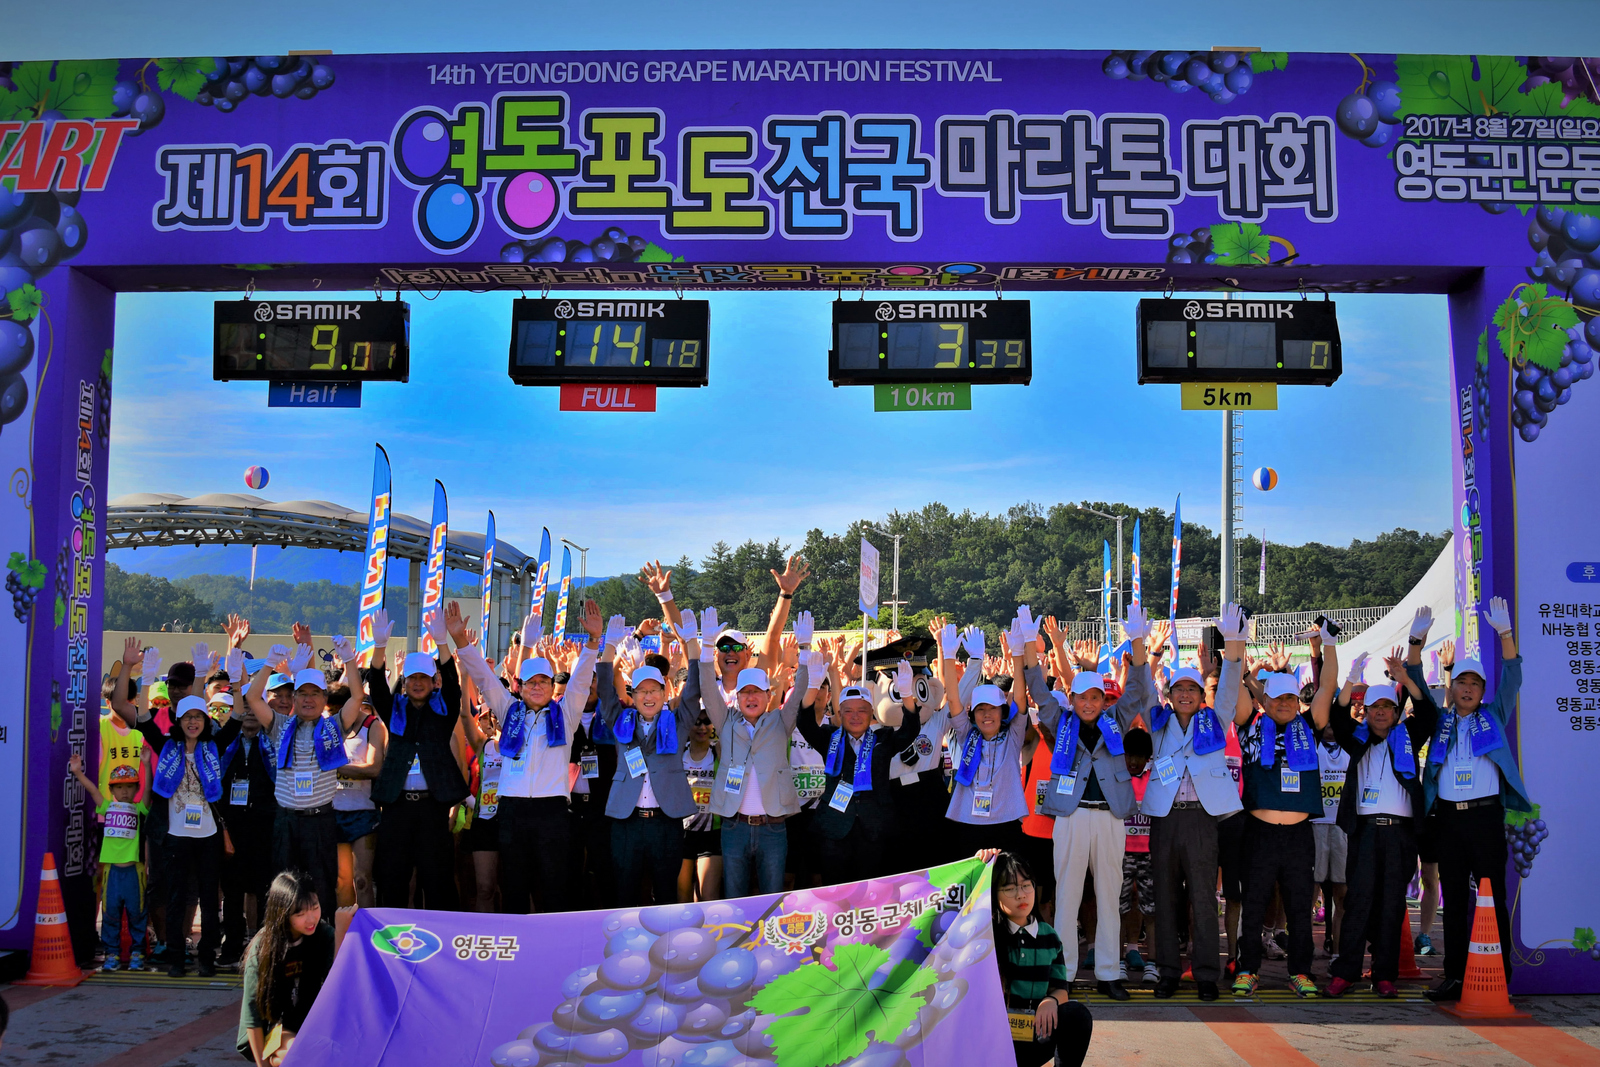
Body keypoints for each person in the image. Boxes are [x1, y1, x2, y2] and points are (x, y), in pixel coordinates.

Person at [1029, 605, 1151, 1000]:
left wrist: (1137, 641)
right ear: (1073, 698)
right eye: (1082, 697)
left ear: (1102, 699)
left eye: (1095, 697)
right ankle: (1063, 974)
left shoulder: (1117, 720)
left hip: (1110, 817)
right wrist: (1030, 647)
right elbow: (1038, 692)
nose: (1088, 703)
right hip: (1071, 817)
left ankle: (1109, 973)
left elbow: (1137, 689)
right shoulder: (1059, 721)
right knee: (1067, 896)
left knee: (1110, 896)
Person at [1325, 608, 1440, 998]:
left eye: (1387, 708)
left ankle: (1385, 974)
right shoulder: (1356, 738)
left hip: (1401, 835)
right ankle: (1345, 972)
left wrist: (1406, 676)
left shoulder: (1408, 737)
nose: (1380, 714)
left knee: (1392, 904)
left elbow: (1429, 713)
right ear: (1367, 711)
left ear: (1395, 712)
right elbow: (1337, 715)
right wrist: (1350, 680)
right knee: (1357, 902)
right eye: (1374, 708)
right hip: (1364, 833)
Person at [457, 600, 600, 914]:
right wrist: (461, 642)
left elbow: (579, 681)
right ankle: (516, 941)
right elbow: (484, 678)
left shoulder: (566, 714)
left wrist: (593, 642)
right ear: (520, 687)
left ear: (551, 686)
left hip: (552, 811)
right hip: (512, 810)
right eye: (530, 682)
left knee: (553, 888)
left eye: (543, 682)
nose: (537, 687)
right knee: (515, 887)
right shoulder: (509, 711)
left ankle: (550, 942)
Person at [1422, 596, 1529, 1002]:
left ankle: (1500, 975)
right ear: (1451, 687)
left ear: (1482, 691)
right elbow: (1417, 685)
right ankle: (1454, 975)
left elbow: (1513, 678)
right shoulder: (1442, 722)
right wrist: (1416, 645)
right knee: (1452, 898)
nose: (1467, 689)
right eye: (1461, 683)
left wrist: (1505, 635)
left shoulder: (1493, 716)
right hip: (1449, 821)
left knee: (1491, 895)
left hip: (1485, 819)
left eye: (1474, 684)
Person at [1229, 611, 1338, 999]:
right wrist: (1236, 642)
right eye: (1277, 698)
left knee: (1298, 907)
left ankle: (1300, 972)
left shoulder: (1308, 726)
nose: (1285, 704)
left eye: (1291, 697)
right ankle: (1248, 969)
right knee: (1254, 903)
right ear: (1266, 699)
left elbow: (1327, 687)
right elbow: (1234, 688)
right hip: (1258, 832)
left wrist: (1329, 644)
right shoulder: (1250, 724)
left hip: (1298, 835)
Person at [1141, 614, 1248, 1000]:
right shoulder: (1157, 722)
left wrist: (1233, 645)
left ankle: (1205, 974)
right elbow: (1141, 686)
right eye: (1178, 689)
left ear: (1202, 695)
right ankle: (1168, 971)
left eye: (1191, 689)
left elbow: (1230, 686)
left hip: (1203, 819)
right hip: (1166, 819)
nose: (1185, 694)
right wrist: (1146, 648)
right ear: (1169, 695)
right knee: (1166, 898)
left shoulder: (1214, 721)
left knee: (1203, 898)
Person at [246, 628, 364, 913]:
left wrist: (349, 660)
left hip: (319, 821)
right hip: (286, 821)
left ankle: (323, 939)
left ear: (324, 699)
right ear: (295, 698)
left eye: (315, 694)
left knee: (321, 887)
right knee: (284, 890)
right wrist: (268, 664)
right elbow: (253, 698)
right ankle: (283, 938)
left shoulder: (333, 727)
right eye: (302, 694)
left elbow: (357, 698)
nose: (308, 699)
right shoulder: (280, 725)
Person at [699, 604, 812, 896]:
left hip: (773, 828)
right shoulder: (725, 722)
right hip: (734, 827)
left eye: (757, 692)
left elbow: (799, 691)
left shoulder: (780, 721)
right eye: (745, 692)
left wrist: (805, 649)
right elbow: (708, 690)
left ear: (768, 695)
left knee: (772, 894)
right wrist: (707, 647)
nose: (751, 697)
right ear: (737, 697)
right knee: (734, 894)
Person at [596, 608, 705, 906]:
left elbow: (694, 690)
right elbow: (604, 690)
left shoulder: (677, 722)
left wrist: (692, 643)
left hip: (665, 822)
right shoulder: (622, 721)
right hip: (627, 821)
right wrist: (609, 645)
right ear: (632, 695)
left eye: (654, 690)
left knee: (666, 893)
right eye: (641, 691)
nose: (648, 696)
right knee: (625, 892)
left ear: (663, 692)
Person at [369, 609, 468, 911]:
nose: (417, 683)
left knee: (438, 880)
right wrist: (379, 647)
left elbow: (453, 684)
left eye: (424, 678)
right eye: (412, 678)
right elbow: (376, 686)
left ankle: (442, 934)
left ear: (433, 681)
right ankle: (393, 934)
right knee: (393, 878)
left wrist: (442, 642)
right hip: (397, 807)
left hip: (432, 808)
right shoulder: (394, 710)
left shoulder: (443, 711)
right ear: (404, 681)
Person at [798, 657, 929, 882]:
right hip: (835, 828)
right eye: (848, 711)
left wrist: (907, 694)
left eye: (862, 710)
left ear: (871, 713)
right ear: (840, 714)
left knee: (872, 888)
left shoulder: (883, 739)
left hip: (874, 829)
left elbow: (910, 729)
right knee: (836, 888)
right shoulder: (829, 738)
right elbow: (805, 723)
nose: (855, 716)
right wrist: (812, 687)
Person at [981, 849, 1093, 1067]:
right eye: (1009, 888)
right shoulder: (985, 935)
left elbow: (1061, 989)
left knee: (1076, 1014)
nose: (1021, 895)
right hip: (995, 1039)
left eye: (1026, 885)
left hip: (1037, 1034)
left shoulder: (1049, 936)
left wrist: (1051, 1001)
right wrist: (980, 866)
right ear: (994, 894)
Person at [940, 616, 1032, 858]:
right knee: (973, 879)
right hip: (968, 821)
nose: (987, 714)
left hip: (1007, 820)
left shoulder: (1013, 735)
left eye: (993, 708)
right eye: (981, 709)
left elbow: (1020, 698)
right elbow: (953, 701)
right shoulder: (966, 735)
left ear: (1003, 712)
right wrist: (948, 656)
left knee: (1007, 877)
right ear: (973, 713)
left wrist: (1017, 653)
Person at [152, 695, 227, 977]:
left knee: (209, 899)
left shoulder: (214, 746)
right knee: (176, 897)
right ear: (178, 721)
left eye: (197, 717)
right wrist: (144, 681)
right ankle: (176, 958)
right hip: (175, 834)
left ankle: (206, 957)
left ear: (205, 721)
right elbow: (142, 720)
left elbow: (237, 719)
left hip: (208, 834)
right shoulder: (167, 747)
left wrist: (236, 681)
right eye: (187, 717)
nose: (192, 722)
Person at [238, 870, 334, 1067]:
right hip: (272, 1029)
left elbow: (340, 978)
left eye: (315, 908)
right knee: (302, 1055)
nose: (311, 919)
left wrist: (343, 928)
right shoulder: (263, 948)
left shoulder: (324, 935)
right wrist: (263, 1064)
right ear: (282, 913)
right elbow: (252, 1019)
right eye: (300, 914)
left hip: (307, 1023)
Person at [215, 687, 279, 968]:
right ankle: (231, 945)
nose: (251, 713)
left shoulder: (273, 742)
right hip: (232, 827)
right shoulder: (225, 742)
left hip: (265, 826)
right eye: (245, 708)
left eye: (255, 707)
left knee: (265, 888)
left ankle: (264, 946)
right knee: (232, 890)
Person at [69, 753, 149, 971]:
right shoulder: (107, 808)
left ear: (136, 788)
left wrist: (146, 765)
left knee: (137, 912)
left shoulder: (139, 809)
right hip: (111, 871)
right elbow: (93, 791)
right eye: (119, 787)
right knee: (110, 912)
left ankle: (137, 953)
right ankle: (111, 953)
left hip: (134, 871)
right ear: (112, 790)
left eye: (130, 787)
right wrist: (77, 772)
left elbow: (148, 792)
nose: (125, 791)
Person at [1118, 728, 1156, 985]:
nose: (1133, 761)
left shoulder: (1154, 779)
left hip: (1149, 856)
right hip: (1121, 854)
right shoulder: (1118, 779)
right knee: (1118, 909)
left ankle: (1152, 963)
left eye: (1139, 756)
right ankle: (1118, 962)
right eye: (1129, 755)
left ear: (1148, 757)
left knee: (1151, 910)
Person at [1312, 712, 1349, 963]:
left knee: (1341, 893)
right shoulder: (1312, 744)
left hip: (1341, 826)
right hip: (1315, 824)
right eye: (1326, 722)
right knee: (1310, 891)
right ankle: (1304, 950)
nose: (1330, 727)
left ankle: (1337, 953)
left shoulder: (1351, 747)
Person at [678, 707, 721, 902]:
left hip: (712, 832)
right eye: (696, 722)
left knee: (707, 897)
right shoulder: (679, 753)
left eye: (706, 722)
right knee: (683, 899)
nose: (702, 727)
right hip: (682, 832)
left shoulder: (718, 752)